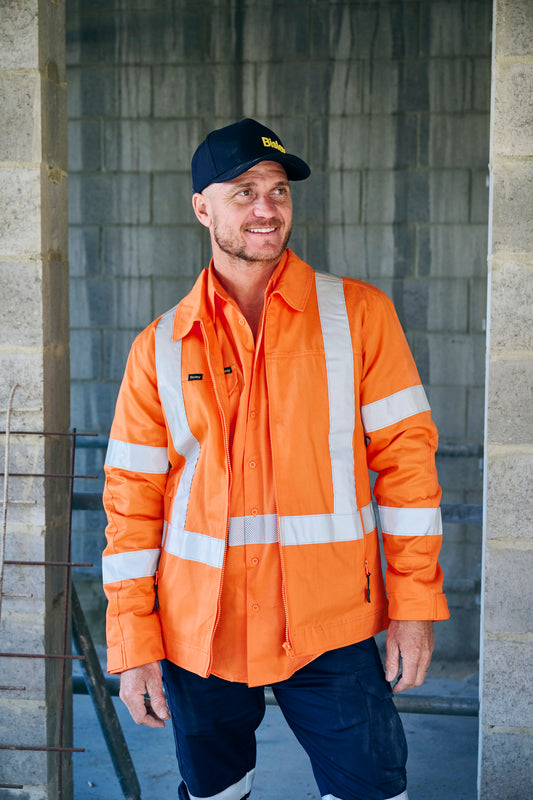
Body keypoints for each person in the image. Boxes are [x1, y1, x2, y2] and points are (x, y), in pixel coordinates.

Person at [102, 117, 449, 800]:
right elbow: (131, 503)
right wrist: (133, 643)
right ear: (202, 208)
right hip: (200, 631)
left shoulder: (360, 316)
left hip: (330, 625)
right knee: (216, 793)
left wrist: (412, 609)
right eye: (244, 192)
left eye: (279, 190)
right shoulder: (160, 346)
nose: (267, 208)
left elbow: (408, 470)